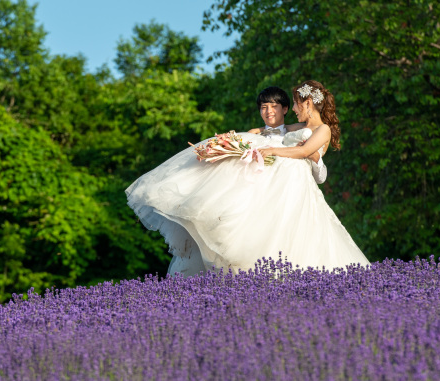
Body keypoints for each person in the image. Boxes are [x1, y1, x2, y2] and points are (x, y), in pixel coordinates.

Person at [125, 79, 369, 275]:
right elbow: (278, 131)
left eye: (295, 104)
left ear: (307, 103)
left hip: (297, 183)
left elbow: (304, 151)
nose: (293, 109)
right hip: (283, 181)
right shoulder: (298, 127)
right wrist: (257, 133)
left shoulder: (323, 129)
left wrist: (272, 149)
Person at [248, 85, 327, 184]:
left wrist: (315, 157)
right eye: (264, 107)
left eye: (274, 106)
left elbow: (320, 178)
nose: (269, 111)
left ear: (285, 109)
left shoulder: (297, 135)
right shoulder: (253, 136)